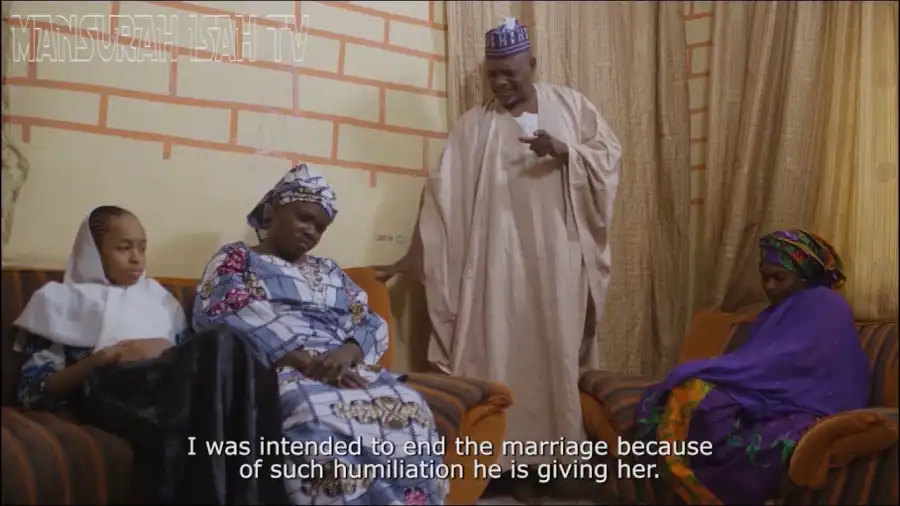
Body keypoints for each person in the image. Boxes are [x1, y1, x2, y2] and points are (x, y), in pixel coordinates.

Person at [372, 17, 622, 502]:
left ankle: (547, 466)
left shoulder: (572, 107)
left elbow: (608, 158)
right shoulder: (473, 126)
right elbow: (440, 198)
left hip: (557, 262)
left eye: (511, 72)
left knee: (553, 356)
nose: (502, 82)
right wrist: (417, 254)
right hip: (493, 266)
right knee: (494, 351)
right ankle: (497, 467)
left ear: (533, 65)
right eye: (493, 74)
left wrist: (566, 152)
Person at [192, 163, 449, 506]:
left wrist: (348, 352)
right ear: (275, 208)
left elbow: (369, 321)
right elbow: (224, 310)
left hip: (342, 365)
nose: (311, 232)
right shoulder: (238, 258)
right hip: (277, 366)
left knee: (411, 405)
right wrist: (305, 361)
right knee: (314, 411)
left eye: (320, 227)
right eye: (304, 218)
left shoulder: (329, 271)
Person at [13, 205, 289, 505]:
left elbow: (197, 360)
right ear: (93, 253)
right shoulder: (58, 300)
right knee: (218, 347)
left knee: (231, 342)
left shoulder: (159, 299)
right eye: (123, 248)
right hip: (115, 389)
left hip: (170, 384)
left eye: (142, 248)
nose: (136, 258)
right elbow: (32, 391)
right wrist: (99, 359)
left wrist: (164, 349)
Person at [633, 229, 871, 505]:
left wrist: (713, 369)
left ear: (805, 275)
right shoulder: (772, 314)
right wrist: (719, 372)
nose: (769, 286)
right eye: (764, 277)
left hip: (813, 400)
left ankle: (697, 492)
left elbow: (785, 360)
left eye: (779, 277)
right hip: (773, 395)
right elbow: (759, 360)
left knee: (700, 396)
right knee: (692, 395)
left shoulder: (824, 302)